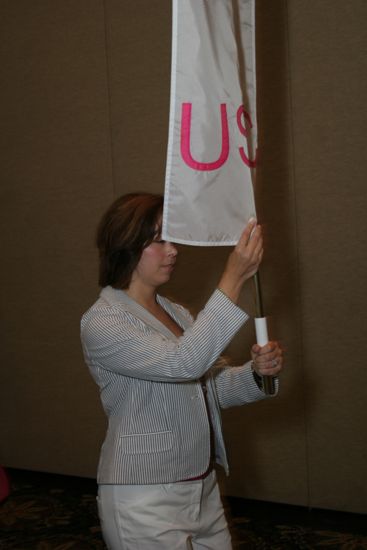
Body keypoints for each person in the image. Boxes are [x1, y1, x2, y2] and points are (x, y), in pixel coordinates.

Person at [80, 192, 283, 550]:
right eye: (160, 240)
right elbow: (182, 363)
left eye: (172, 239)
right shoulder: (102, 321)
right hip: (143, 497)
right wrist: (232, 278)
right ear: (126, 244)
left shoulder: (175, 312)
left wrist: (255, 372)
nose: (173, 250)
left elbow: (207, 389)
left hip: (202, 485)